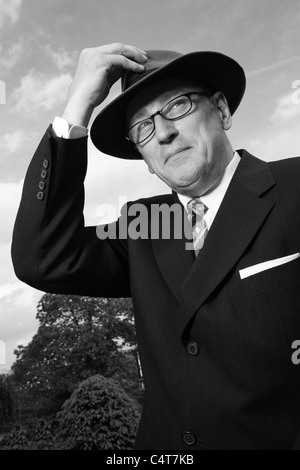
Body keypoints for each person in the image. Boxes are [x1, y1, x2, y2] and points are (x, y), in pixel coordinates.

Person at [11, 43, 300, 450]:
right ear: (144, 159)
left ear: (222, 110)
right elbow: (42, 257)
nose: (163, 132)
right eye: (143, 128)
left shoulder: (295, 187)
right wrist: (77, 105)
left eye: (177, 105)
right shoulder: (144, 226)